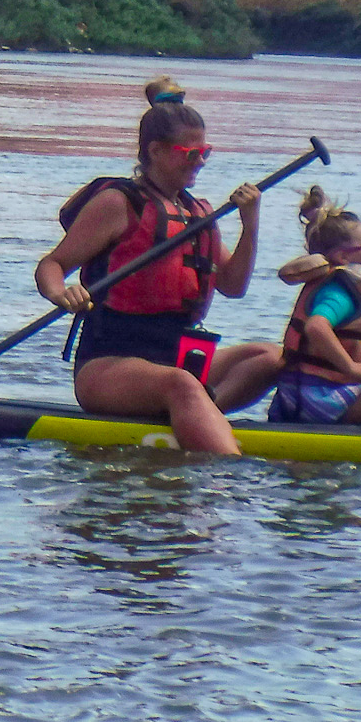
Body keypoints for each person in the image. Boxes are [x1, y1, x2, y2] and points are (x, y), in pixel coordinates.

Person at [35, 77, 283, 454]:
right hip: (108, 364)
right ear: (156, 151)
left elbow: (233, 285)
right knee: (181, 384)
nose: (199, 162)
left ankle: (198, 414)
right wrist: (60, 291)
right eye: (190, 153)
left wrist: (250, 224)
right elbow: (53, 264)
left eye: (206, 152)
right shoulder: (119, 204)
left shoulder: (197, 213)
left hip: (178, 357)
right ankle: (225, 471)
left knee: (272, 357)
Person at [266, 186, 361, 426]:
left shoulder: (338, 284)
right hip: (316, 399)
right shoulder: (340, 290)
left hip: (302, 395)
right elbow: (316, 328)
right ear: (343, 257)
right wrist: (352, 368)